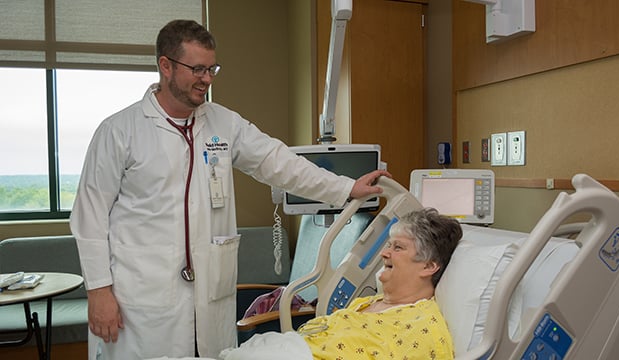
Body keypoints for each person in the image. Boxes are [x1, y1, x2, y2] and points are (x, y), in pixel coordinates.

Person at [69, 19, 390, 360]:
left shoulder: (224, 123)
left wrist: (345, 187)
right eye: (197, 69)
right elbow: (89, 218)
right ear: (165, 65)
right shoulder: (120, 131)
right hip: (141, 301)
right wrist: (98, 291)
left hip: (209, 295)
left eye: (211, 69)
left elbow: (279, 162)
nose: (206, 79)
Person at [214, 207, 462, 360]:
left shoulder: (422, 327)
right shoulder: (367, 303)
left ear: (430, 266)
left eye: (397, 247)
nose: (385, 253)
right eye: (388, 245)